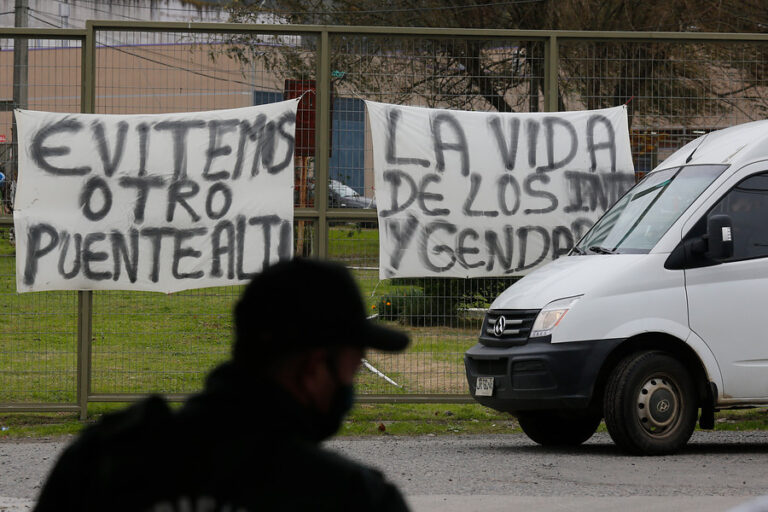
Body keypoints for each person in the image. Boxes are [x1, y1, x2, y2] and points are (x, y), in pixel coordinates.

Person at [34, 258, 411, 512]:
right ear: (313, 369)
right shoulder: (349, 497)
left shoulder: (99, 462)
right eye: (353, 367)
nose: (351, 382)